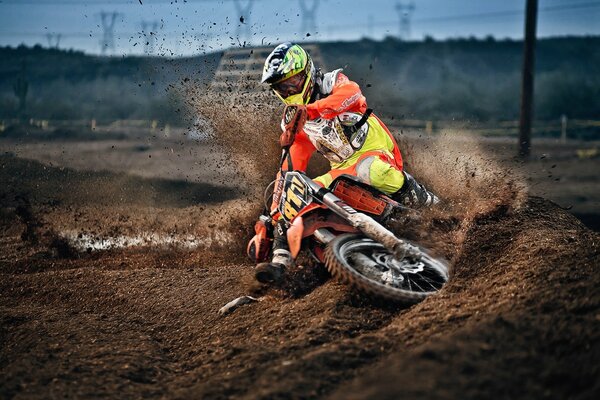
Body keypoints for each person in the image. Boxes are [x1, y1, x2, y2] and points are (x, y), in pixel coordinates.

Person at [253, 42, 438, 284]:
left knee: (370, 171)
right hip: (341, 169)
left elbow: (352, 94)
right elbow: (293, 164)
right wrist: (278, 206)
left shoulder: (332, 82)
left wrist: (311, 110)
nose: (289, 90)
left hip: (375, 151)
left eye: (293, 82)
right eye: (282, 87)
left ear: (307, 72)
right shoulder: (293, 120)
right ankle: (282, 262)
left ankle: (426, 200)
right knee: (298, 195)